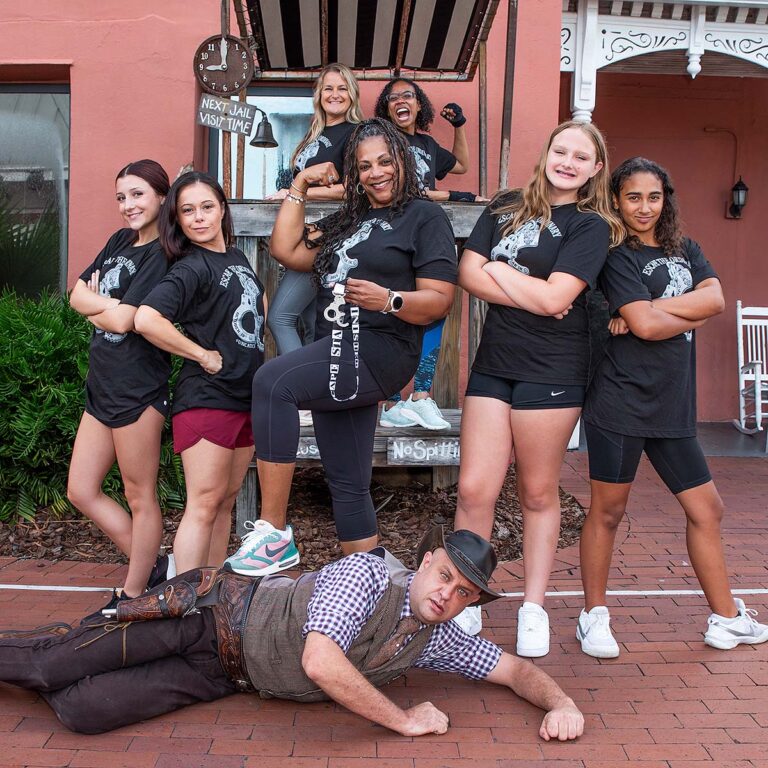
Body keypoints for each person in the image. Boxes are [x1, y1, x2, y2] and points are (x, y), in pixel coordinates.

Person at [0, 526, 585, 741]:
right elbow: (321, 663)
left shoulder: (437, 634)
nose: (448, 595)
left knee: (83, 711)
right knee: (51, 669)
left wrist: (560, 703)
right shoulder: (367, 575)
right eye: (446, 577)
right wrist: (403, 720)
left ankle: (74, 645)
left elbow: (514, 668)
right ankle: (64, 645)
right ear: (429, 559)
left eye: (464, 594)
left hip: (224, 674)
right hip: (203, 616)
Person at [225, 118, 457, 575]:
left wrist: (389, 300)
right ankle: (372, 585)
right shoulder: (349, 219)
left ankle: (273, 533)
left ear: (402, 161)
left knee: (273, 381)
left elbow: (438, 300)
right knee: (347, 482)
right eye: (365, 165)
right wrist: (301, 184)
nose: (376, 173)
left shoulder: (423, 217)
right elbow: (287, 249)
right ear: (354, 173)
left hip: (380, 348)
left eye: (385, 161)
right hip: (340, 350)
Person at [577, 157, 768, 657]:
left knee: (707, 508)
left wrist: (656, 311)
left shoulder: (687, 248)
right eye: (633, 197)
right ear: (616, 199)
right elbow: (645, 327)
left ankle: (726, 618)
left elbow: (718, 299)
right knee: (609, 513)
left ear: (667, 199)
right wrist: (678, 313)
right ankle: (592, 616)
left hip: (672, 406)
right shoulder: (616, 254)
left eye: (654, 196)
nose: (644, 207)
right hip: (620, 400)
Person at [454, 121, 624, 654]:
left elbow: (557, 302)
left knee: (536, 492)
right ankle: (467, 594)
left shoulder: (592, 225)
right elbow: (467, 273)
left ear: (595, 168)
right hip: (494, 365)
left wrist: (499, 270)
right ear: (546, 152)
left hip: (553, 370)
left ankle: (533, 607)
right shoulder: (505, 206)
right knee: (473, 491)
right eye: (560, 150)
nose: (567, 162)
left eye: (581, 156)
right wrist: (530, 287)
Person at [134, 172, 265, 577]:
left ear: (222, 209)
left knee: (224, 503)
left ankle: (207, 594)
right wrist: (201, 355)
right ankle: (181, 602)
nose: (198, 217)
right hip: (206, 398)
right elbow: (147, 318)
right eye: (187, 211)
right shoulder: (191, 267)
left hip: (244, 398)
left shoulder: (236, 258)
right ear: (177, 219)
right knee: (204, 503)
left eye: (207, 207)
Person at [67, 159, 171, 603]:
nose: (128, 205)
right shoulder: (119, 241)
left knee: (138, 494)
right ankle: (157, 568)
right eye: (121, 197)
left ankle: (133, 591)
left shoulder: (164, 253)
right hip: (102, 382)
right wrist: (99, 303)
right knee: (81, 489)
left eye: (137, 195)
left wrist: (97, 300)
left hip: (139, 387)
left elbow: (130, 320)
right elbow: (73, 294)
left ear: (162, 197)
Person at [374, 78, 478, 430]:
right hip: (391, 233)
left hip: (424, 233)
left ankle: (420, 395)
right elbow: (399, 189)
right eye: (393, 97)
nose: (401, 101)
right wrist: (450, 197)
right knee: (392, 309)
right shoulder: (381, 142)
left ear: (419, 105)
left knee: (433, 307)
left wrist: (459, 127)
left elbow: (461, 165)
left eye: (408, 95)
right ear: (386, 107)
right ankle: (390, 400)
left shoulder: (427, 144)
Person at [266, 64, 362, 400]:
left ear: (352, 94)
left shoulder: (356, 133)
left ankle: (300, 394)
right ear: (318, 96)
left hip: (329, 236)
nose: (335, 95)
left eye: (342, 88)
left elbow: (353, 189)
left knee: (280, 318)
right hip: (304, 233)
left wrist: (296, 191)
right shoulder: (313, 133)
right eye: (328, 89)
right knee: (308, 324)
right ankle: (317, 396)